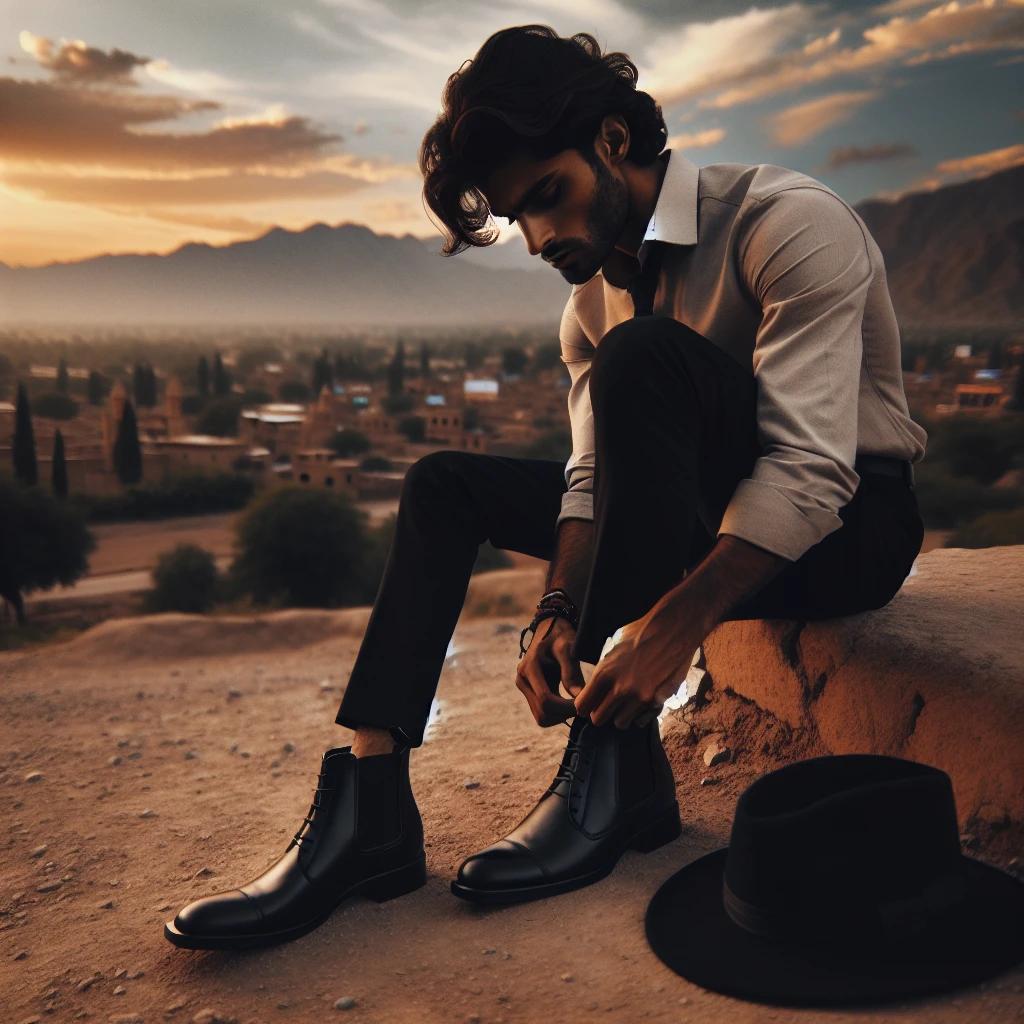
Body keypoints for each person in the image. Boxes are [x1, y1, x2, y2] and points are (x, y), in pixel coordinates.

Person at [163, 24, 927, 950]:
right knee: (443, 482)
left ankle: (611, 766)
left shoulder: (785, 223)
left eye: (547, 198)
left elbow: (809, 476)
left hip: (849, 529)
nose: (535, 238)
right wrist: (560, 605)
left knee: (642, 356)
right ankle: (372, 809)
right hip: (699, 511)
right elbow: (592, 479)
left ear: (612, 141)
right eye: (516, 216)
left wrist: (668, 630)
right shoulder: (588, 305)